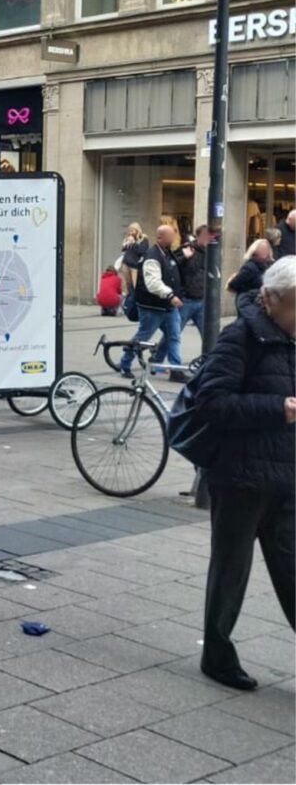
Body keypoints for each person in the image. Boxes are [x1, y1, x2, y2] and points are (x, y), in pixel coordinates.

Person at [194, 256, 295, 692]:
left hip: (288, 480)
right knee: (231, 572)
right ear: (271, 300)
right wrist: (277, 409)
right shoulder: (240, 337)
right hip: (240, 479)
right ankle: (216, 654)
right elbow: (211, 402)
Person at [119, 225, 185, 381]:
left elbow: (171, 272)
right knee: (142, 337)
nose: (173, 239)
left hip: (167, 306)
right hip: (152, 306)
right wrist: (170, 295)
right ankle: (124, 364)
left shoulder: (167, 252)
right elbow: (153, 283)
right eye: (170, 236)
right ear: (160, 237)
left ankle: (175, 370)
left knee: (174, 336)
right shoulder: (152, 256)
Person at [154, 225, 210, 366]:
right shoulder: (187, 249)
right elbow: (170, 267)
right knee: (173, 334)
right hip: (186, 300)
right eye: (205, 235)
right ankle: (157, 360)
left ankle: (210, 363)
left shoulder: (212, 253)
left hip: (202, 299)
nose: (208, 239)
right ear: (197, 236)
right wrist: (184, 258)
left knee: (209, 335)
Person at [119, 222, 149, 293]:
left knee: (135, 286)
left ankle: (135, 299)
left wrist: (134, 243)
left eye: (133, 230)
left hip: (135, 266)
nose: (131, 232)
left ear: (137, 230)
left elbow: (142, 251)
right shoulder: (128, 238)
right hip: (126, 264)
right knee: (127, 285)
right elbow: (124, 250)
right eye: (130, 230)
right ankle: (128, 300)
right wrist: (126, 243)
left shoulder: (143, 239)